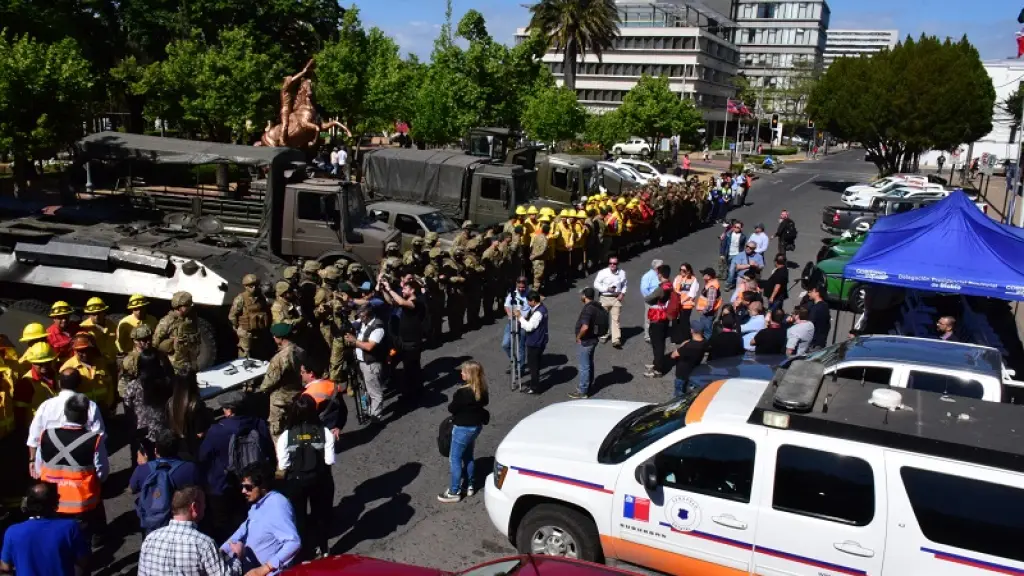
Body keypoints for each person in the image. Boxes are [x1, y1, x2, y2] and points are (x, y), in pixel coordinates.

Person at [198, 390, 274, 543]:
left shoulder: (216, 430)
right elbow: (269, 451)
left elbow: (203, 457)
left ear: (229, 410)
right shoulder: (258, 424)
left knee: (223, 525)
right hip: (252, 481)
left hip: (223, 484)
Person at [35, 393, 108, 543]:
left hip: (52, 501)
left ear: (66, 413)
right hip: (81, 503)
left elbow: (38, 467)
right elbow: (102, 472)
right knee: (80, 544)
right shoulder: (94, 440)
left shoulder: (46, 435)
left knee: (56, 542)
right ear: (86, 416)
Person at [275, 395, 335, 558]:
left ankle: (302, 552)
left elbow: (283, 465)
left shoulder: (286, 436)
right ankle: (323, 549)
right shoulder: (325, 432)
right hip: (320, 479)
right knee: (320, 515)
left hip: (296, 482)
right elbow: (329, 460)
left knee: (298, 517)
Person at [138, 486, 242, 576]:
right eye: (204, 503)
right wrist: (238, 556)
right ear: (194, 507)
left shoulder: (150, 539)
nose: (205, 507)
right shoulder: (204, 544)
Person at [222, 463, 301, 575]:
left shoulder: (278, 506)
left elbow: (293, 542)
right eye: (242, 486)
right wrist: (222, 550)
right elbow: (244, 529)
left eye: (248, 487)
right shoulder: (258, 504)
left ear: (263, 486)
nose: (243, 491)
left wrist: (265, 569)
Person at [1, 482, 90, 576]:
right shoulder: (70, 527)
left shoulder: (12, 532)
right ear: (55, 503)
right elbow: (83, 561)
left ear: (26, 504)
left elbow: (5, 568)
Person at [26, 369, 104, 473]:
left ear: (59, 383)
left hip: (49, 468)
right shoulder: (90, 406)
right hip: (79, 467)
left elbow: (34, 436)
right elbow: (99, 437)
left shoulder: (46, 405)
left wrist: (32, 460)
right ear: (79, 384)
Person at [131, 429, 202, 532]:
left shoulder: (142, 470)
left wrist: (144, 466)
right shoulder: (190, 469)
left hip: (153, 524)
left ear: (155, 450)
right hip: (181, 522)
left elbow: (133, 487)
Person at [438, 360, 489, 503]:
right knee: (468, 456)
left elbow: (452, 408)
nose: (461, 373)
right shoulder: (481, 389)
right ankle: (470, 485)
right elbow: (484, 403)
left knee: (455, 459)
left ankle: (454, 491)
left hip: (462, 428)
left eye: (463, 371)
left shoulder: (462, 393)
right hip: (475, 427)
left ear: (470, 375)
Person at [382, 276, 425, 400]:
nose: (403, 290)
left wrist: (390, 289)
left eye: (405, 288)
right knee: (397, 363)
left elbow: (400, 302)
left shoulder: (417, 303)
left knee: (411, 369)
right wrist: (384, 290)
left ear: (412, 291)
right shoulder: (406, 302)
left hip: (412, 343)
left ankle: (413, 395)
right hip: (402, 342)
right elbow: (392, 302)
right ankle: (412, 390)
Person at [261, 323, 305, 437]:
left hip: (280, 398)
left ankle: (282, 454)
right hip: (297, 392)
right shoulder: (300, 350)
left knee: (277, 431)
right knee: (295, 425)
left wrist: (262, 389)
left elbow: (269, 381)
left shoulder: (279, 358)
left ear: (280, 338)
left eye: (274, 336)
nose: (273, 338)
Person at [123, 348, 172, 449]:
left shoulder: (133, 386)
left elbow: (128, 408)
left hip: (141, 432)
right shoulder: (166, 383)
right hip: (162, 430)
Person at [345, 304, 386, 423]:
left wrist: (354, 341)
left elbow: (369, 347)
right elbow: (351, 324)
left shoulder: (378, 327)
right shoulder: (363, 321)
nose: (360, 317)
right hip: (361, 363)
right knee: (365, 389)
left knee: (375, 392)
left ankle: (376, 417)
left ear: (368, 314)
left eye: (362, 314)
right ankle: (367, 410)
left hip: (371, 364)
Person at [61, 332, 115, 412]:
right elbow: (65, 395)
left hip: (104, 409)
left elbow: (110, 385)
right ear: (75, 350)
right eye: (80, 351)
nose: (84, 354)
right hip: (82, 413)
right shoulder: (68, 368)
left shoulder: (102, 363)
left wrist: (109, 404)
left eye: (86, 350)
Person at [154, 291, 202, 376]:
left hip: (191, 360)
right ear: (179, 307)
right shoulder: (167, 321)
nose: (190, 307)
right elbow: (155, 342)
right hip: (175, 363)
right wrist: (171, 342)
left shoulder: (192, 318)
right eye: (187, 305)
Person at [644, 264, 678, 378]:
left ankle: (658, 369)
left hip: (658, 317)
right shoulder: (670, 285)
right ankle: (656, 363)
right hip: (665, 317)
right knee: (660, 342)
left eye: (658, 273)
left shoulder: (661, 288)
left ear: (660, 274)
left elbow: (648, 298)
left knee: (657, 343)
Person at [167, 372, 211, 459]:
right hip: (196, 447)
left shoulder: (170, 402)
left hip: (179, 446)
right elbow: (200, 433)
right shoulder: (196, 404)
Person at [229, 274, 271, 359]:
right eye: (251, 286)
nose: (254, 288)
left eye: (256, 285)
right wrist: (237, 327)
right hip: (246, 331)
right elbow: (232, 315)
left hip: (259, 330)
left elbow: (266, 310)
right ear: (245, 286)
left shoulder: (261, 297)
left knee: (260, 352)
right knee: (245, 353)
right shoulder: (240, 298)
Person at [572, 288, 602, 399]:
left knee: (584, 366)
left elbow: (585, 327)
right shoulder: (596, 306)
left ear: (584, 296)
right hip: (593, 340)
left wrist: (578, 337)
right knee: (589, 363)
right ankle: (588, 385)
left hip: (586, 341)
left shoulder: (588, 309)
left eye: (581, 295)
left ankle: (583, 391)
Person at [516, 290, 548, 395]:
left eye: (529, 301)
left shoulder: (538, 312)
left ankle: (534, 388)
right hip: (540, 340)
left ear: (533, 301)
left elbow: (529, 327)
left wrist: (520, 317)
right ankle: (535, 383)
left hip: (535, 342)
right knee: (536, 364)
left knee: (533, 366)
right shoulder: (542, 308)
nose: (528, 304)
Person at [593, 256, 627, 348]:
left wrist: (622, 294)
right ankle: (604, 334)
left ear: (617, 264)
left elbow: (624, 285)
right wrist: (606, 289)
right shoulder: (603, 273)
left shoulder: (622, 273)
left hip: (616, 299)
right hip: (604, 297)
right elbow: (596, 284)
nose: (612, 265)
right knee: (603, 318)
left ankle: (616, 340)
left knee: (616, 320)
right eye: (610, 263)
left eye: (614, 263)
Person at [670, 319, 708, 397]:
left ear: (692, 331)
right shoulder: (704, 342)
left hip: (682, 373)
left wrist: (683, 344)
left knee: (678, 393)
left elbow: (674, 355)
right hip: (693, 371)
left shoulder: (689, 346)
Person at [502, 277, 530, 376]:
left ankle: (520, 367)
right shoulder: (512, 294)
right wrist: (510, 314)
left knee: (520, 347)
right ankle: (514, 361)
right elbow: (506, 305)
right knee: (505, 344)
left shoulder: (530, 294)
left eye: (523, 287)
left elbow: (533, 308)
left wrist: (523, 317)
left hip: (523, 323)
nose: (521, 289)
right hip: (512, 322)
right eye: (519, 287)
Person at [672, 263, 700, 343]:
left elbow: (692, 294)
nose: (681, 272)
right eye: (680, 270)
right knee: (676, 321)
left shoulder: (693, 280)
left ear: (688, 271)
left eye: (684, 270)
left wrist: (682, 301)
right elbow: (674, 288)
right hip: (677, 304)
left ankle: (686, 339)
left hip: (686, 305)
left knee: (684, 322)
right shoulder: (678, 278)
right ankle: (676, 339)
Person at [639, 259, 664, 343]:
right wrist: (650, 297)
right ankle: (648, 336)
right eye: (661, 266)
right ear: (657, 267)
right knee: (649, 318)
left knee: (659, 317)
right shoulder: (648, 276)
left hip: (660, 300)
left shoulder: (661, 275)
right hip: (651, 300)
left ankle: (657, 333)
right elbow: (644, 288)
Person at [695, 268, 721, 338]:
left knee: (707, 332)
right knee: (705, 330)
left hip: (708, 314)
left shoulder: (712, 288)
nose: (702, 275)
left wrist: (703, 312)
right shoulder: (710, 284)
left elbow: (710, 305)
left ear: (709, 277)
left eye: (704, 274)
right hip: (708, 313)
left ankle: (707, 346)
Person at [806, 285, 831, 350]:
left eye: (811, 291)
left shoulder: (816, 308)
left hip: (814, 343)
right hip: (821, 341)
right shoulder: (825, 306)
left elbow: (810, 324)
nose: (809, 293)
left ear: (817, 293)